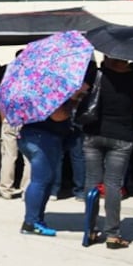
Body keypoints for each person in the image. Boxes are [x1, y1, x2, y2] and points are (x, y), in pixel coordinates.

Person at [81, 56, 133, 249]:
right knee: (113, 184)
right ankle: (113, 234)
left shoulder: (95, 75)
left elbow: (80, 95)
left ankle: (90, 229)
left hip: (93, 133)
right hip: (122, 136)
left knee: (91, 181)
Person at [19, 86, 88, 237]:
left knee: (46, 180)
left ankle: (36, 219)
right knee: (40, 180)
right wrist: (74, 98)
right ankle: (31, 222)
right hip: (42, 138)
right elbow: (58, 115)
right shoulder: (50, 89)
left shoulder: (36, 86)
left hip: (34, 135)